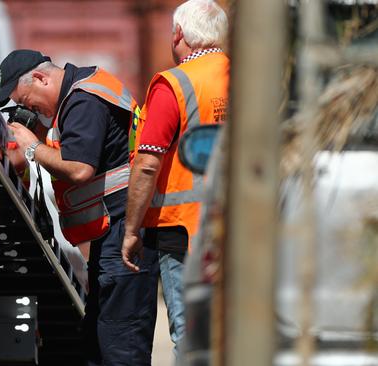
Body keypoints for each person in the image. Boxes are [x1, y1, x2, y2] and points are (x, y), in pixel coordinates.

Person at [0, 49, 159, 365]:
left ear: (41, 78)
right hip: (117, 231)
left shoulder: (82, 100)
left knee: (119, 345)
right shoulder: (85, 90)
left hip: (124, 235)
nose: (31, 110)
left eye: (28, 101)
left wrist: (33, 147)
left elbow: (80, 169)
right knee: (98, 342)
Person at [121, 0, 229, 356]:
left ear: (179, 34)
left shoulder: (174, 84)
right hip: (242, 227)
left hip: (183, 233)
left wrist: (132, 230)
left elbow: (148, 163)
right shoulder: (245, 79)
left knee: (190, 334)